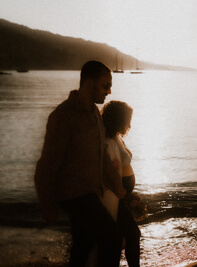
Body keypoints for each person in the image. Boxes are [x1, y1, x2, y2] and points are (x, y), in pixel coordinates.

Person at [34, 61, 127, 267]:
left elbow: (100, 157)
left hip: (90, 193)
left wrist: (115, 184)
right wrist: (47, 205)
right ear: (88, 83)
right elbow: (46, 166)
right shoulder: (63, 117)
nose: (109, 91)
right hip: (73, 195)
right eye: (105, 85)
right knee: (112, 239)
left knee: (83, 244)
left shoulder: (95, 114)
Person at [101, 100, 141, 267]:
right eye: (127, 120)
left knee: (126, 236)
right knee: (131, 234)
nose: (129, 125)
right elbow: (105, 170)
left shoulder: (115, 136)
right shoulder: (106, 140)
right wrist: (121, 191)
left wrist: (131, 194)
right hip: (115, 196)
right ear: (118, 119)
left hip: (122, 195)